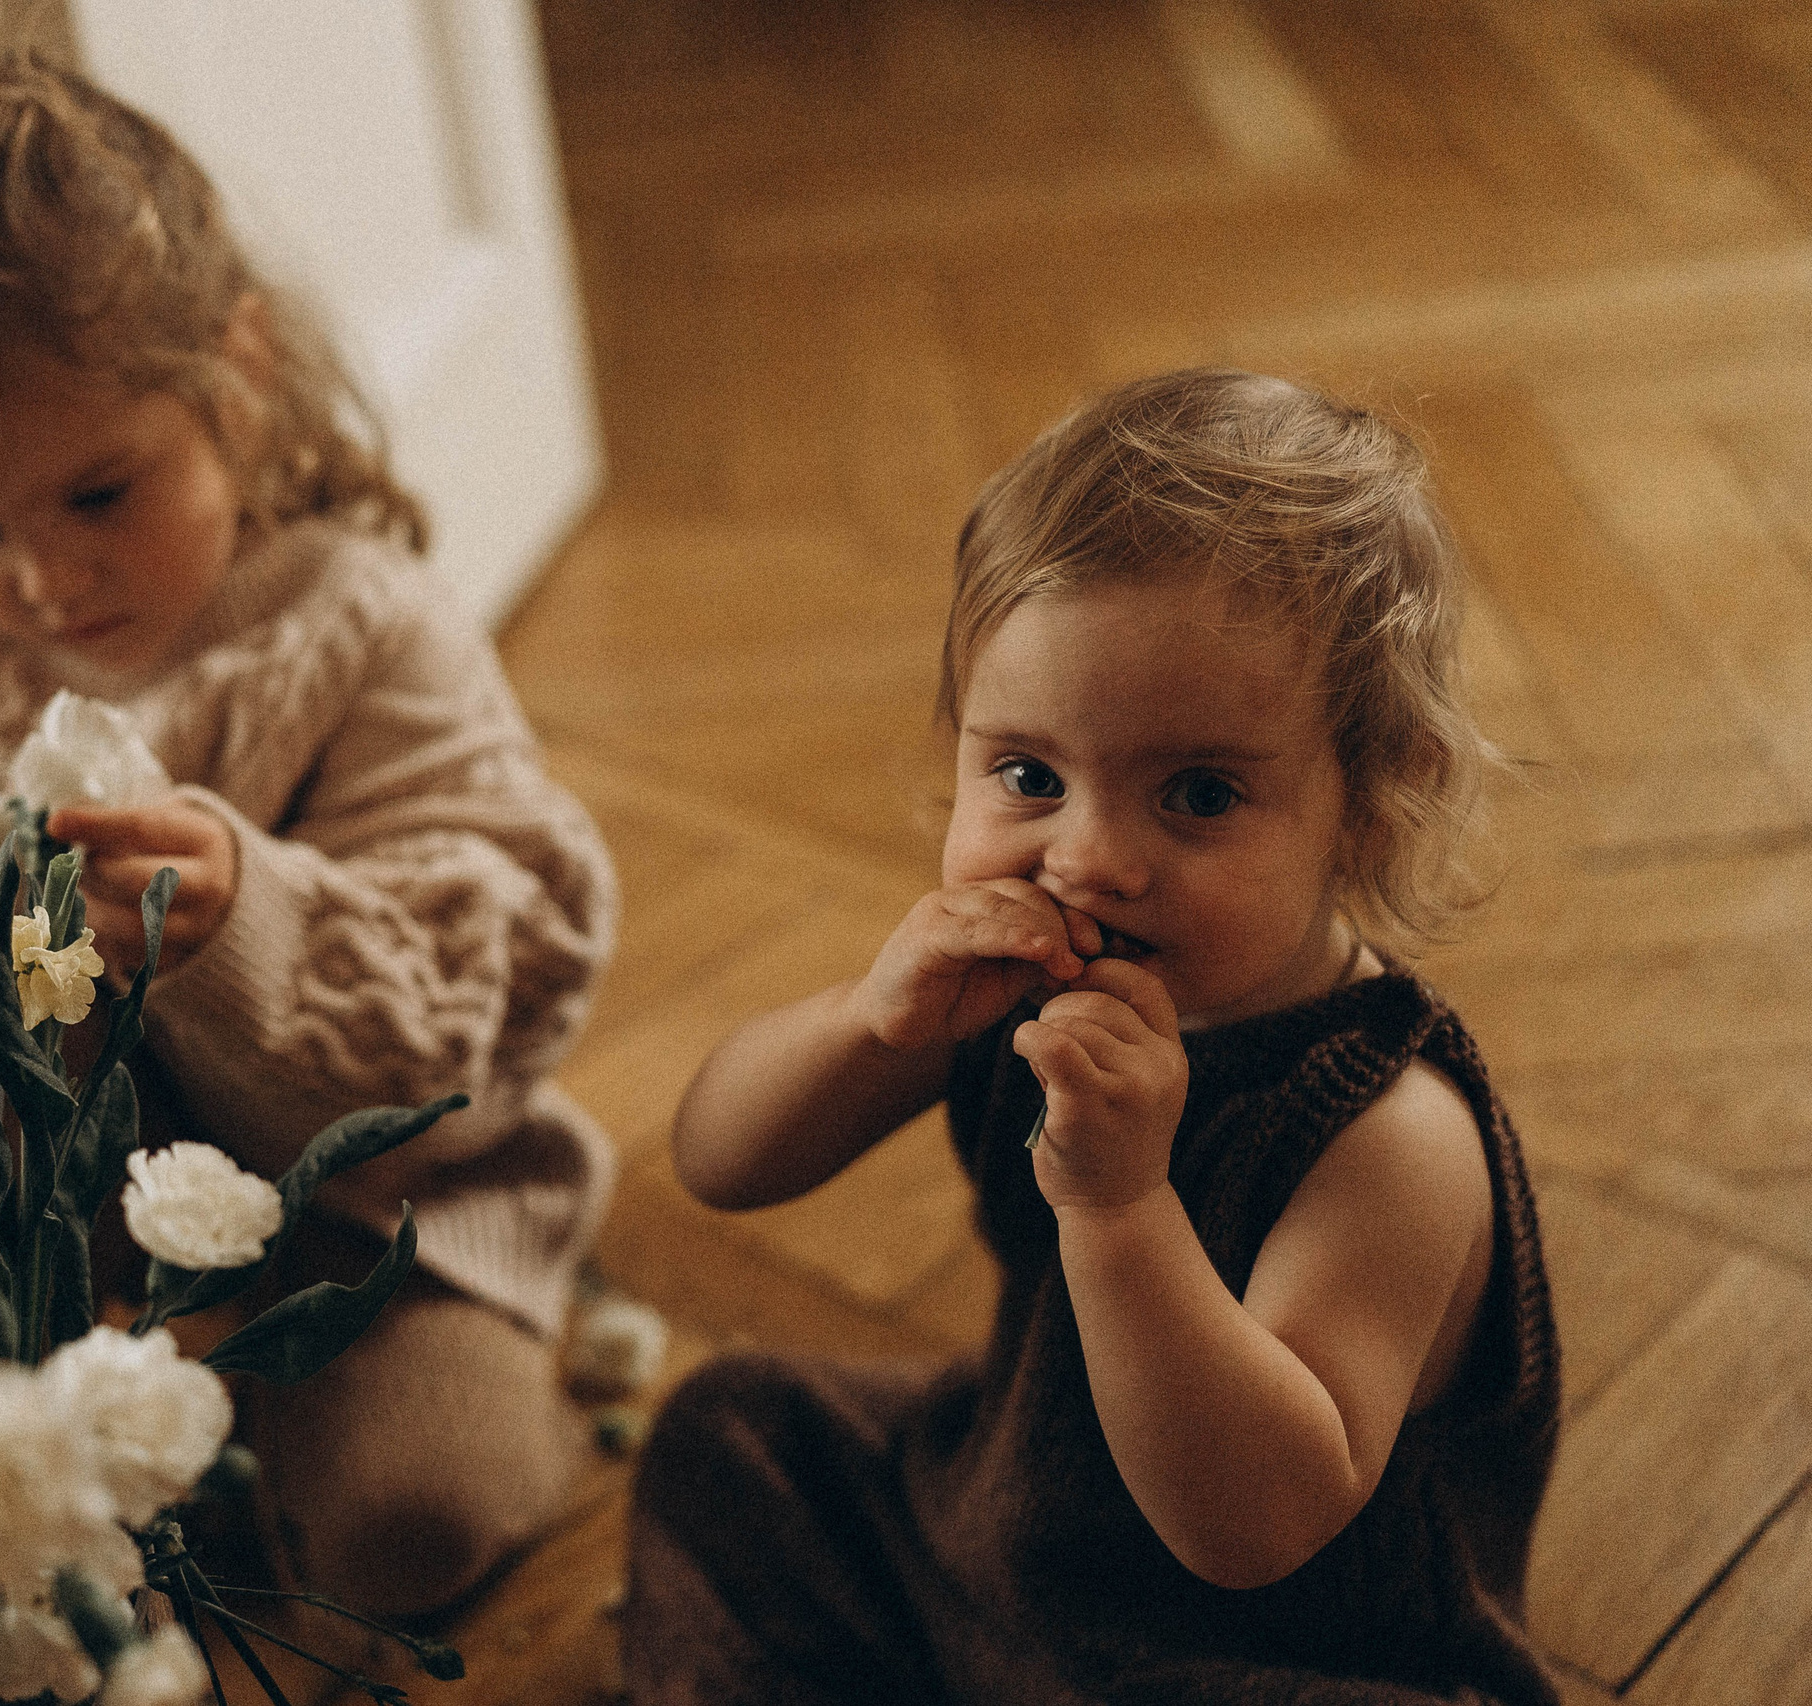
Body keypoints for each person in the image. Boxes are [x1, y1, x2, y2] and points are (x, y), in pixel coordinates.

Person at [0, 47, 617, 1621]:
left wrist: (240, 918)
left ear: (238, 371)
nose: (45, 581)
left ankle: (538, 1349)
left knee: (407, 1531)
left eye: (98, 492)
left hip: (373, 1213)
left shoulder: (362, 628)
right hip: (72, 1236)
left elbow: (490, 990)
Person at [625, 370, 1560, 1704]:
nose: (1091, 857)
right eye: (1028, 775)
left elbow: (1252, 1523)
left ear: (1371, 801)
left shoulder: (1392, 1136)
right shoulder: (1005, 985)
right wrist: (865, 1019)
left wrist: (1124, 1204)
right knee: (734, 1433)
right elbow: (721, 1159)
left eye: (1198, 793)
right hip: (996, 1541)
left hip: (1266, 1654)